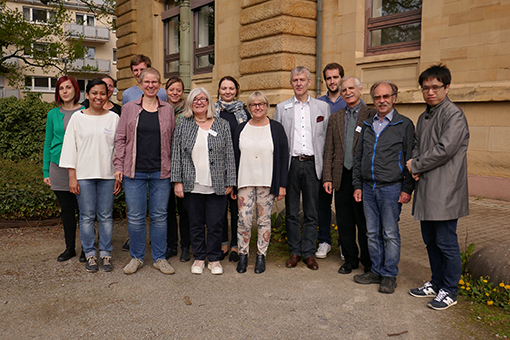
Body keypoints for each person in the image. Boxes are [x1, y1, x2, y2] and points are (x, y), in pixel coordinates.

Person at [407, 64, 469, 310]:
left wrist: (417, 165)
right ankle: (435, 282)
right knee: (430, 241)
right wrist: (414, 162)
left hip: (445, 189)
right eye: (425, 88)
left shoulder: (453, 114)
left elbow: (446, 149)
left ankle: (450, 290)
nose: (430, 92)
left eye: (435, 87)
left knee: (446, 241)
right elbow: (416, 145)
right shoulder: (424, 117)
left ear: (447, 87)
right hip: (425, 187)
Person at [352, 81, 415, 294]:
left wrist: (407, 189)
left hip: (391, 188)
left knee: (389, 233)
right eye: (378, 97)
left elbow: (410, 158)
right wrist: (357, 184)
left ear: (394, 98)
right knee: (371, 233)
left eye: (386, 96)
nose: (382, 101)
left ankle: (389, 275)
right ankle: (376, 271)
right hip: (368, 188)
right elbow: (359, 156)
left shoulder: (404, 125)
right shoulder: (368, 125)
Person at [114, 68, 176, 275]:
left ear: (160, 85)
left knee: (160, 216)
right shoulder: (129, 108)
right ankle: (137, 257)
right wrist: (118, 166)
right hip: (134, 172)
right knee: (136, 217)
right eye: (146, 82)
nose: (151, 85)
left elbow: (173, 141)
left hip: (161, 172)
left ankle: (159, 258)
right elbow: (120, 139)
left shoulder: (168, 109)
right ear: (140, 84)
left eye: (155, 82)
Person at [171, 87, 236, 275]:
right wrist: (177, 181)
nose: (199, 102)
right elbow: (176, 154)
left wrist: (230, 181)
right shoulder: (183, 124)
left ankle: (214, 259)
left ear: (209, 102)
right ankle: (199, 257)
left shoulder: (221, 124)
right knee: (196, 223)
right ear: (191, 103)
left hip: (216, 184)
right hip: (192, 184)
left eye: (203, 99)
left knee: (216, 224)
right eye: (195, 99)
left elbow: (229, 155)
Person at [59, 79, 121, 273]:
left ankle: (105, 253)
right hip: (84, 175)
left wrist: (119, 176)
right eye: (94, 93)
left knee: (105, 216)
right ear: (87, 95)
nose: (98, 97)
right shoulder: (77, 118)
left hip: (108, 175)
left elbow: (119, 149)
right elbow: (70, 147)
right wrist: (72, 176)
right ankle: (90, 254)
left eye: (102, 93)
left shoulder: (113, 118)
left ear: (107, 95)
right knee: (86, 217)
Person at [274, 66, 331, 271]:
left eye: (302, 80)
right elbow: (278, 141)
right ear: (291, 83)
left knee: (311, 211)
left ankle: (308, 253)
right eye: (295, 80)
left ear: (309, 82)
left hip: (312, 164)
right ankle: (294, 252)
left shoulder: (322, 108)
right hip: (291, 164)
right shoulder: (282, 108)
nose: (299, 83)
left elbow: (327, 140)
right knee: (291, 211)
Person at [232, 91, 288, 274]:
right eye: (253, 105)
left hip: (267, 182)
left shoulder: (276, 128)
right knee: (244, 220)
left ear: (267, 106)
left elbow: (282, 157)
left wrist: (282, 185)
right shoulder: (241, 128)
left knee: (264, 221)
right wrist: (232, 184)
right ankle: (243, 255)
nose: (257, 107)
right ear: (249, 108)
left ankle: (261, 255)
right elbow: (234, 157)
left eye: (261, 104)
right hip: (244, 181)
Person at [322, 76, 374, 275]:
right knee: (344, 221)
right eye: (344, 90)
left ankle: (368, 262)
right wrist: (328, 177)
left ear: (361, 90)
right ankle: (350, 259)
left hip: (362, 177)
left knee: (364, 221)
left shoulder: (372, 115)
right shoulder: (335, 118)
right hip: (341, 176)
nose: (347, 92)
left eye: (351, 88)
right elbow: (329, 149)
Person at [42, 76, 83, 262]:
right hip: (58, 167)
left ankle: (87, 248)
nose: (65, 91)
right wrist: (45, 171)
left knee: (85, 210)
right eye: (61, 88)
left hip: (81, 166)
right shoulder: (52, 114)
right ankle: (69, 248)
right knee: (67, 210)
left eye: (68, 87)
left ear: (75, 89)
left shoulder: (84, 111)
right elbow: (48, 142)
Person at [214, 76, 251, 262]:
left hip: (240, 164)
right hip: (218, 166)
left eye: (231, 88)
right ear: (219, 90)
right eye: (224, 88)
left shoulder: (245, 112)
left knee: (237, 207)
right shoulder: (211, 111)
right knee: (220, 207)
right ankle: (223, 243)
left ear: (236, 90)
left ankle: (237, 245)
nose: (227, 91)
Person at [316, 62, 347, 259]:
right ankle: (324, 240)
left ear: (341, 78)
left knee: (344, 207)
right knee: (323, 204)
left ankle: (345, 243)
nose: (332, 81)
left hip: (344, 161)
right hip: (324, 159)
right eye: (329, 78)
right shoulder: (318, 103)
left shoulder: (349, 100)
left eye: (336, 77)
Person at [164, 76, 191, 262]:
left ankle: (186, 246)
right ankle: (171, 244)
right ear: (166, 90)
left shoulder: (188, 111)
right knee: (167, 209)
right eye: (171, 89)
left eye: (178, 90)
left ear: (183, 92)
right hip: (164, 164)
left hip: (184, 164)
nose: (175, 93)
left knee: (185, 209)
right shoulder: (161, 109)